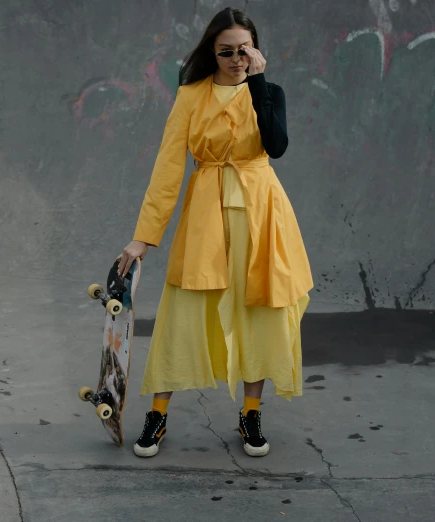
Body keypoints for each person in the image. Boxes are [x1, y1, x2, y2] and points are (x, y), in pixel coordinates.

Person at [117, 7, 313, 458]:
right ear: (212, 51)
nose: (236, 58)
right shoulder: (191, 96)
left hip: (262, 212)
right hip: (206, 212)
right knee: (182, 310)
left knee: (260, 307)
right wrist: (144, 237)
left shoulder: (270, 91)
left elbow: (276, 146)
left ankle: (250, 413)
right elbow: (168, 167)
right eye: (226, 51)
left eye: (244, 49)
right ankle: (158, 414)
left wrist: (258, 83)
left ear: (255, 48)